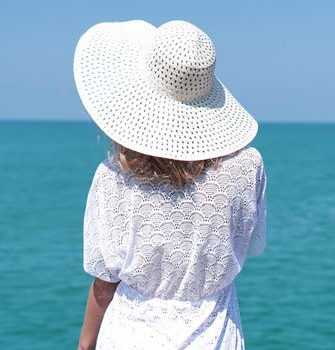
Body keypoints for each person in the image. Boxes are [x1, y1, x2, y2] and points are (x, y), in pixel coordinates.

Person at [73, 19, 268, 350]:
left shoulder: (113, 178)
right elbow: (249, 244)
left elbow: (105, 282)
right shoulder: (248, 168)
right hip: (215, 337)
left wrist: (85, 344)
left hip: (128, 338)